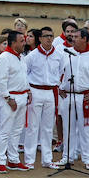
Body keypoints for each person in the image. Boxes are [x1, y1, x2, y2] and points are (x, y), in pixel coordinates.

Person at [58, 28, 89, 169]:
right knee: (68, 127)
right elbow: (56, 72)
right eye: (72, 36)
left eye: (76, 36)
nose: (73, 38)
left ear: (84, 39)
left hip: (85, 97)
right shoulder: (66, 53)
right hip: (68, 95)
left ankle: (88, 158)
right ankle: (67, 157)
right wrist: (59, 87)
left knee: (86, 128)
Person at [24, 25, 62, 169]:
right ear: (40, 39)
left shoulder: (59, 54)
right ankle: (29, 159)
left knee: (47, 127)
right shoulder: (32, 56)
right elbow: (24, 73)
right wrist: (28, 89)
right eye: (46, 36)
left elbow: (61, 71)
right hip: (35, 90)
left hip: (51, 92)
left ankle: (47, 159)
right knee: (33, 127)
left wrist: (56, 83)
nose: (49, 39)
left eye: (51, 36)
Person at [0, 29, 29, 172]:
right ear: (13, 43)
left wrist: (28, 91)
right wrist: (8, 98)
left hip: (22, 96)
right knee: (5, 130)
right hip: (11, 98)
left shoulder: (21, 57)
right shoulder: (4, 58)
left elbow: (23, 77)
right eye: (21, 41)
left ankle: (13, 159)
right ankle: (0, 160)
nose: (24, 43)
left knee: (17, 130)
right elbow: (0, 81)